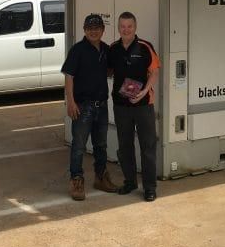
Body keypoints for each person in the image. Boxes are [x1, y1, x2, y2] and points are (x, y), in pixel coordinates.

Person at [61, 14, 118, 201]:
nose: (94, 31)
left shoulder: (106, 49)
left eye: (97, 28)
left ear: (103, 30)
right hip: (82, 107)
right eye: (90, 28)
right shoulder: (77, 50)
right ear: (85, 30)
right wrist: (71, 102)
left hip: (101, 106)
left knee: (101, 145)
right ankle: (76, 180)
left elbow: (110, 70)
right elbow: (69, 76)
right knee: (79, 146)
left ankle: (101, 178)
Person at [108, 11, 160, 202]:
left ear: (135, 27)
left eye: (129, 26)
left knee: (148, 146)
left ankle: (149, 188)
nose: (126, 30)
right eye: (122, 26)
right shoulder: (113, 49)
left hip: (143, 105)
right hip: (121, 106)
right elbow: (108, 71)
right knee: (125, 146)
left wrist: (144, 92)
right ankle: (130, 182)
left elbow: (155, 72)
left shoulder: (145, 47)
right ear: (118, 28)